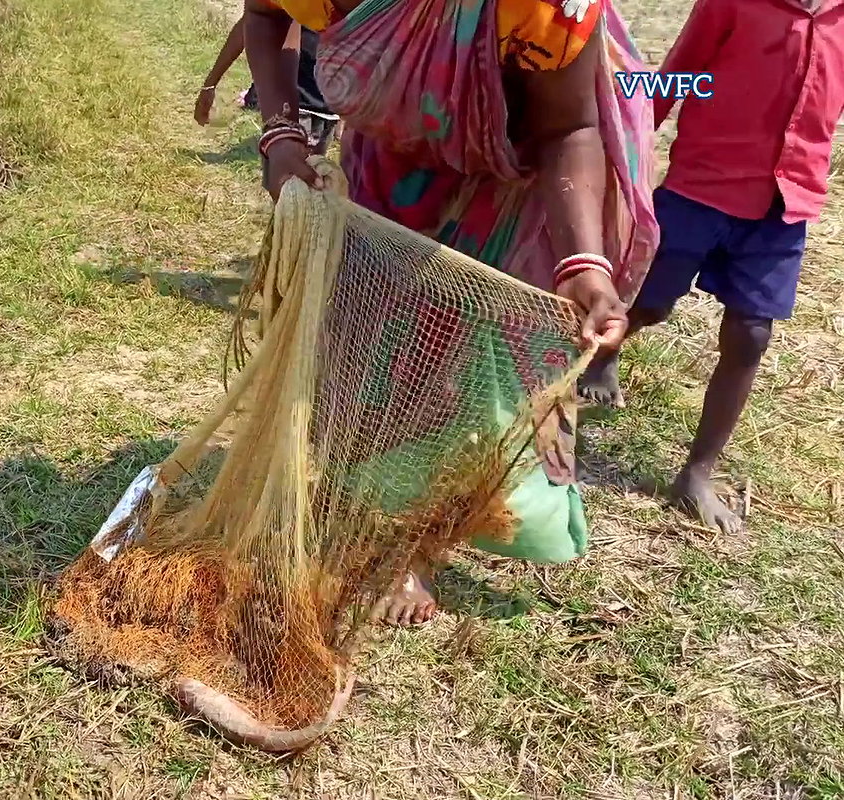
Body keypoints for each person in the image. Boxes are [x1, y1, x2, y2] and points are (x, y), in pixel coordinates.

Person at [243, 0, 659, 624]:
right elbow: (264, 14)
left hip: (508, 179)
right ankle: (347, 495)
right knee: (360, 338)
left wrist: (585, 264)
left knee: (454, 368)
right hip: (389, 157)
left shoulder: (546, 9)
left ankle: (409, 544)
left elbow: (568, 127)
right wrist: (280, 135)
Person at [580, 0, 844, 534]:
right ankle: (592, 366)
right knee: (645, 305)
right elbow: (681, 73)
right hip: (700, 187)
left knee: (751, 335)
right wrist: (626, 144)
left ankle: (696, 472)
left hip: (783, 203)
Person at [195, 16, 340, 154]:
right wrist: (210, 85)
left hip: (326, 110)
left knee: (311, 175)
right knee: (294, 174)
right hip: (296, 106)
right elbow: (250, 23)